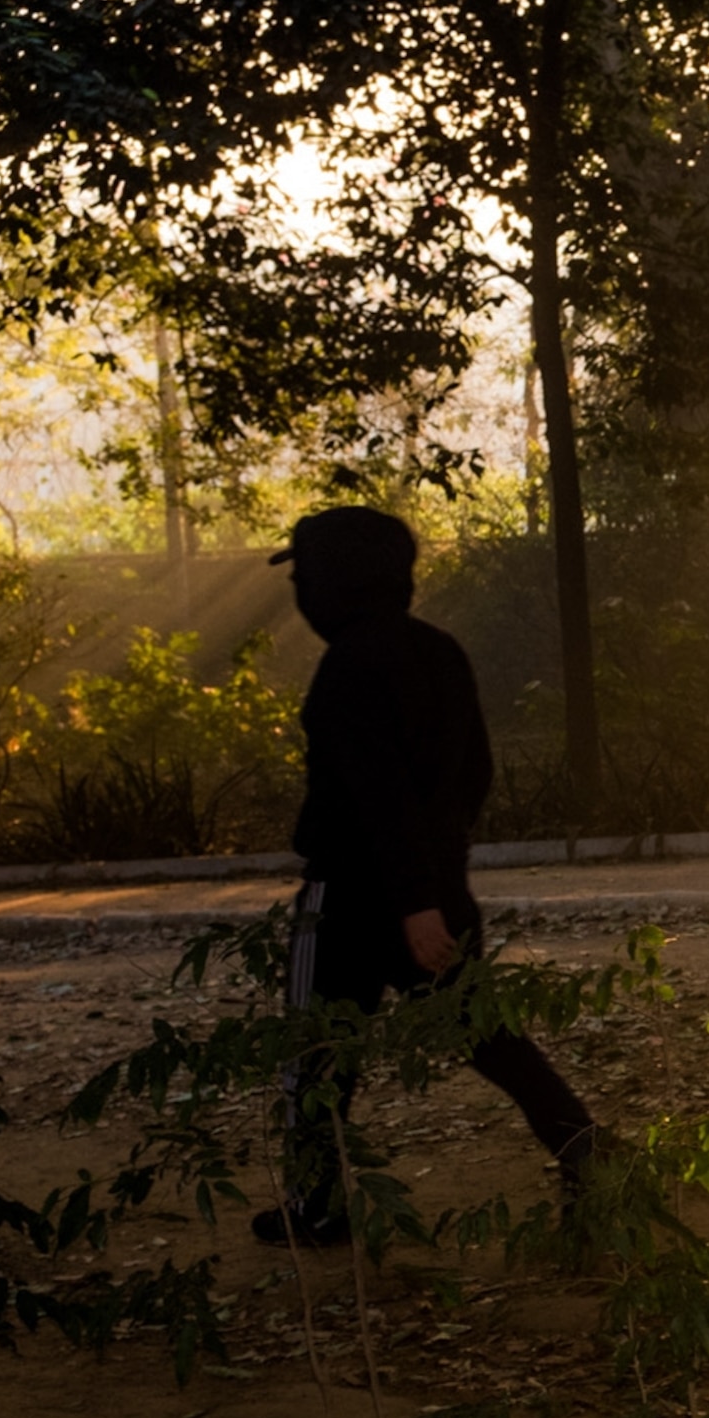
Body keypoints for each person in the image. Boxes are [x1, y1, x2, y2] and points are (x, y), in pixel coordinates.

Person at [256, 506, 597, 1248]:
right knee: (487, 1038)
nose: (301, 592)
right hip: (438, 891)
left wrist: (411, 902)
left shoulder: (347, 665)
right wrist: (435, 887)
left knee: (315, 1052)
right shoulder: (438, 651)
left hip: (349, 899)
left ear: (331, 581)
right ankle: (587, 1154)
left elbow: (378, 793)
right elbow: (468, 778)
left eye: (306, 575)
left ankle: (315, 1204)